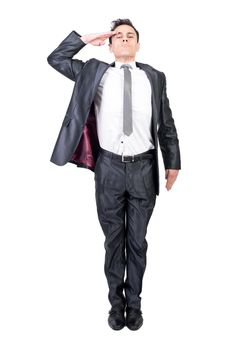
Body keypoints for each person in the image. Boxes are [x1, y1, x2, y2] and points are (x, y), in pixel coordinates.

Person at [47, 18, 181, 331]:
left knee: (137, 242)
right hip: (107, 168)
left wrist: (173, 161)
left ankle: (134, 306)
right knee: (113, 241)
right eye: (117, 36)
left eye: (129, 36)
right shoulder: (94, 73)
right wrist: (84, 38)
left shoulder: (155, 77)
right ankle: (115, 305)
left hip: (144, 169)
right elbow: (56, 59)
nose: (123, 39)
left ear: (137, 44)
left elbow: (167, 123)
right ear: (109, 44)